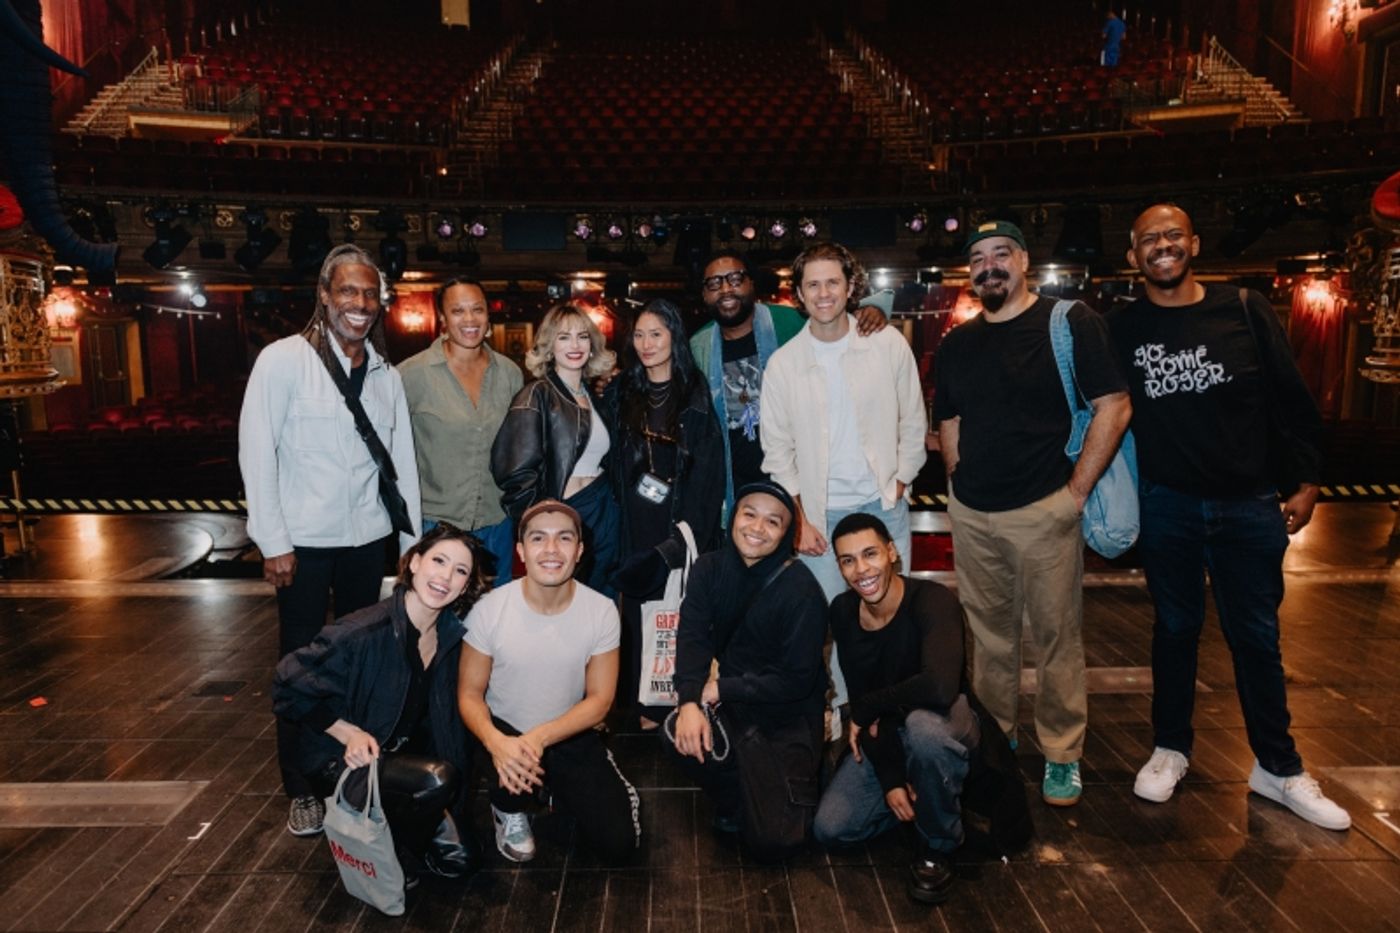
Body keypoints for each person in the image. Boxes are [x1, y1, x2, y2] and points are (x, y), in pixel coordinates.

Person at [1108, 203, 1350, 830]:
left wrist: (1307, 478)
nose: (1162, 247)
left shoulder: (1245, 308)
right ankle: (1171, 749)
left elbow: (1291, 399)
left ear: (1193, 241)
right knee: (1175, 630)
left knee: (1257, 639)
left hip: (1249, 504)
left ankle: (1278, 765)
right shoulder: (1123, 329)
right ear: (1133, 257)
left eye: (1171, 236)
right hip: (1168, 503)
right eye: (1147, 241)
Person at [932, 220, 1131, 807]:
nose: (989, 265)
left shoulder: (1068, 323)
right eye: (978, 258)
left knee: (1054, 638)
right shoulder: (958, 343)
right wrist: (956, 485)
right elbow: (949, 421)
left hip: (1045, 511)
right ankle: (997, 739)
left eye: (1001, 253)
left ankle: (1063, 753)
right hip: (974, 513)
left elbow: (1114, 407)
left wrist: (1074, 494)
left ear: (1023, 261)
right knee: (990, 642)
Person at [240, 242, 421, 836]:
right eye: (348, 291)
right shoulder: (282, 361)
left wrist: (409, 545)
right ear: (323, 295)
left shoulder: (386, 374)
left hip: (367, 539)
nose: (361, 303)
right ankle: (301, 786)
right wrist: (272, 541)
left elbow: (401, 465)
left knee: (361, 660)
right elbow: (256, 454)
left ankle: (349, 773)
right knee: (299, 664)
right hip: (304, 544)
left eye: (370, 294)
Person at [759, 241, 926, 732]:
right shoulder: (784, 365)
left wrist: (898, 481)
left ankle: (885, 717)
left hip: (882, 507)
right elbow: (777, 450)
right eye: (813, 284)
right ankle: (838, 716)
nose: (824, 293)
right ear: (800, 294)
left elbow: (914, 419)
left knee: (887, 619)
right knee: (828, 625)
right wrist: (801, 519)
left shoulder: (887, 343)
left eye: (833, 282)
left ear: (851, 286)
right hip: (819, 516)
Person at [273, 524, 489, 883]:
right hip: (345, 759)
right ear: (414, 563)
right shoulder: (362, 631)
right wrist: (346, 732)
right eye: (438, 560)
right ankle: (371, 827)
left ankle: (395, 824)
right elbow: (286, 683)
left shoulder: (452, 637)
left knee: (461, 861)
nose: (446, 577)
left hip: (401, 753)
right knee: (437, 781)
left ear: (465, 586)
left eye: (460, 571)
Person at [457, 500, 641, 864]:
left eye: (564, 539)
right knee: (504, 758)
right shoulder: (490, 609)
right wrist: (498, 743)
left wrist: (539, 739)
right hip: (504, 733)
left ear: (580, 550)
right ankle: (507, 808)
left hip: (566, 732)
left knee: (618, 844)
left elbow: (601, 700)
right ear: (522, 551)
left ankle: (554, 788)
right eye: (539, 539)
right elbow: (468, 694)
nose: (552, 550)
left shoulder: (601, 610)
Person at [813, 513, 977, 905]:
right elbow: (865, 702)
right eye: (848, 560)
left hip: (944, 720)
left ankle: (938, 846)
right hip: (888, 730)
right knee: (830, 829)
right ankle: (930, 795)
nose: (861, 569)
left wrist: (867, 709)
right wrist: (889, 778)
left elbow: (938, 688)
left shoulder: (933, 600)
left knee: (924, 731)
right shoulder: (842, 611)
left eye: (870, 554)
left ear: (891, 552)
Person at [667, 481, 828, 862]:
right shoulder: (709, 569)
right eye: (749, 514)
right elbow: (691, 639)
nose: (757, 528)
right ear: (733, 516)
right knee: (677, 728)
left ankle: (793, 778)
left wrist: (721, 688)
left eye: (773, 522)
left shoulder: (802, 589)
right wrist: (689, 701)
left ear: (787, 533)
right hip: (737, 706)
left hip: (787, 716)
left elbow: (797, 680)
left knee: (777, 843)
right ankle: (733, 797)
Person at [689, 250, 888, 523]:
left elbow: (839, 318)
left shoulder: (790, 322)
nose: (725, 289)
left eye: (735, 279)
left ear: (752, 284)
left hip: (802, 482)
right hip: (734, 488)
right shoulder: (698, 346)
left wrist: (873, 311)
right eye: (714, 283)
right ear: (704, 295)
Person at [605, 298, 725, 728]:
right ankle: (645, 712)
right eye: (638, 334)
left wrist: (683, 539)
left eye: (656, 333)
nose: (646, 344)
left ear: (675, 336)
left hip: (679, 526)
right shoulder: (622, 392)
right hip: (633, 526)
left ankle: (680, 704)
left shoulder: (694, 392)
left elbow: (710, 474)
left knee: (680, 616)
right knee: (639, 620)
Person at [400, 277, 523, 585]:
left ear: (488, 315)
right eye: (458, 311)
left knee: (494, 619)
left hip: (497, 522)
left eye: (477, 310)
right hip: (435, 524)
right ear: (442, 318)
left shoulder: (509, 373)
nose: (469, 320)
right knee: (437, 620)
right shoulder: (410, 375)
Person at [490, 303, 620, 595]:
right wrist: (542, 519)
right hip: (566, 510)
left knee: (602, 601)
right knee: (565, 602)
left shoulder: (594, 397)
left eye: (582, 336)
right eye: (563, 337)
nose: (575, 345)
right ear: (549, 347)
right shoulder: (536, 394)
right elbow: (513, 473)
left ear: (592, 344)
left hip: (604, 508)